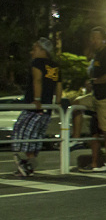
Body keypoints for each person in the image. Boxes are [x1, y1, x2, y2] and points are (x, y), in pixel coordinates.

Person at [12, 37, 63, 177]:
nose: (31, 52)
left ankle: (28, 162)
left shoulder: (37, 63)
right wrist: (57, 103)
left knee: (22, 131)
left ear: (42, 50)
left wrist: (37, 99)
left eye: (34, 48)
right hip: (47, 108)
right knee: (36, 135)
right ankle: (29, 163)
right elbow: (58, 85)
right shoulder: (54, 66)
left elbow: (37, 80)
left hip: (34, 106)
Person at [77, 26, 106, 172]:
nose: (93, 41)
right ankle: (75, 139)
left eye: (96, 38)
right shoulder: (97, 54)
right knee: (76, 104)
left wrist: (94, 82)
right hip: (96, 97)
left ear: (103, 39)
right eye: (92, 38)